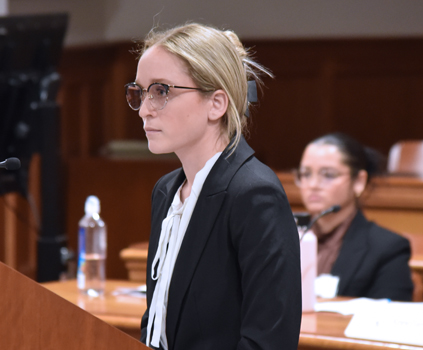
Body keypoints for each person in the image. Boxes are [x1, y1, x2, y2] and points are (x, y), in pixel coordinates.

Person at [123, 23, 302, 349]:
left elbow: (270, 340)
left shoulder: (254, 194)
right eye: (139, 92)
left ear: (216, 104)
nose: (145, 109)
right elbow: (157, 323)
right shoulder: (165, 191)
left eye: (161, 91)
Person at [295, 132, 414, 301]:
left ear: (359, 181)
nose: (313, 185)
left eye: (328, 175)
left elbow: (392, 317)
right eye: (306, 174)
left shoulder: (387, 248)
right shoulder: (283, 236)